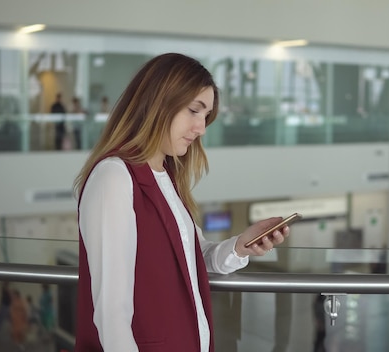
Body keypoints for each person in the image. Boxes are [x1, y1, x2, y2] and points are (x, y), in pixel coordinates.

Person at [72, 53, 291, 352]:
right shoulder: (114, 177)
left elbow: (192, 258)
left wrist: (241, 246)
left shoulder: (167, 176)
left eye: (206, 116)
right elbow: (111, 314)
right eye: (193, 111)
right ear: (157, 103)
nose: (201, 128)